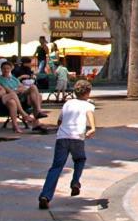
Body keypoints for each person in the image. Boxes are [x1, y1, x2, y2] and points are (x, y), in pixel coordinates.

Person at [38, 80, 96, 210]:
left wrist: (62, 128)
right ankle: (75, 182)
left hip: (62, 138)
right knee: (80, 159)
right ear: (88, 93)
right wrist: (92, 127)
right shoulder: (88, 105)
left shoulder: (68, 103)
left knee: (56, 167)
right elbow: (89, 114)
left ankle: (45, 196)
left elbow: (60, 120)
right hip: (77, 138)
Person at [0, 66, 37, 132]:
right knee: (12, 94)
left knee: (12, 102)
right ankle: (24, 114)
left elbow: (3, 91)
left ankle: (15, 126)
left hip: (0, 102)